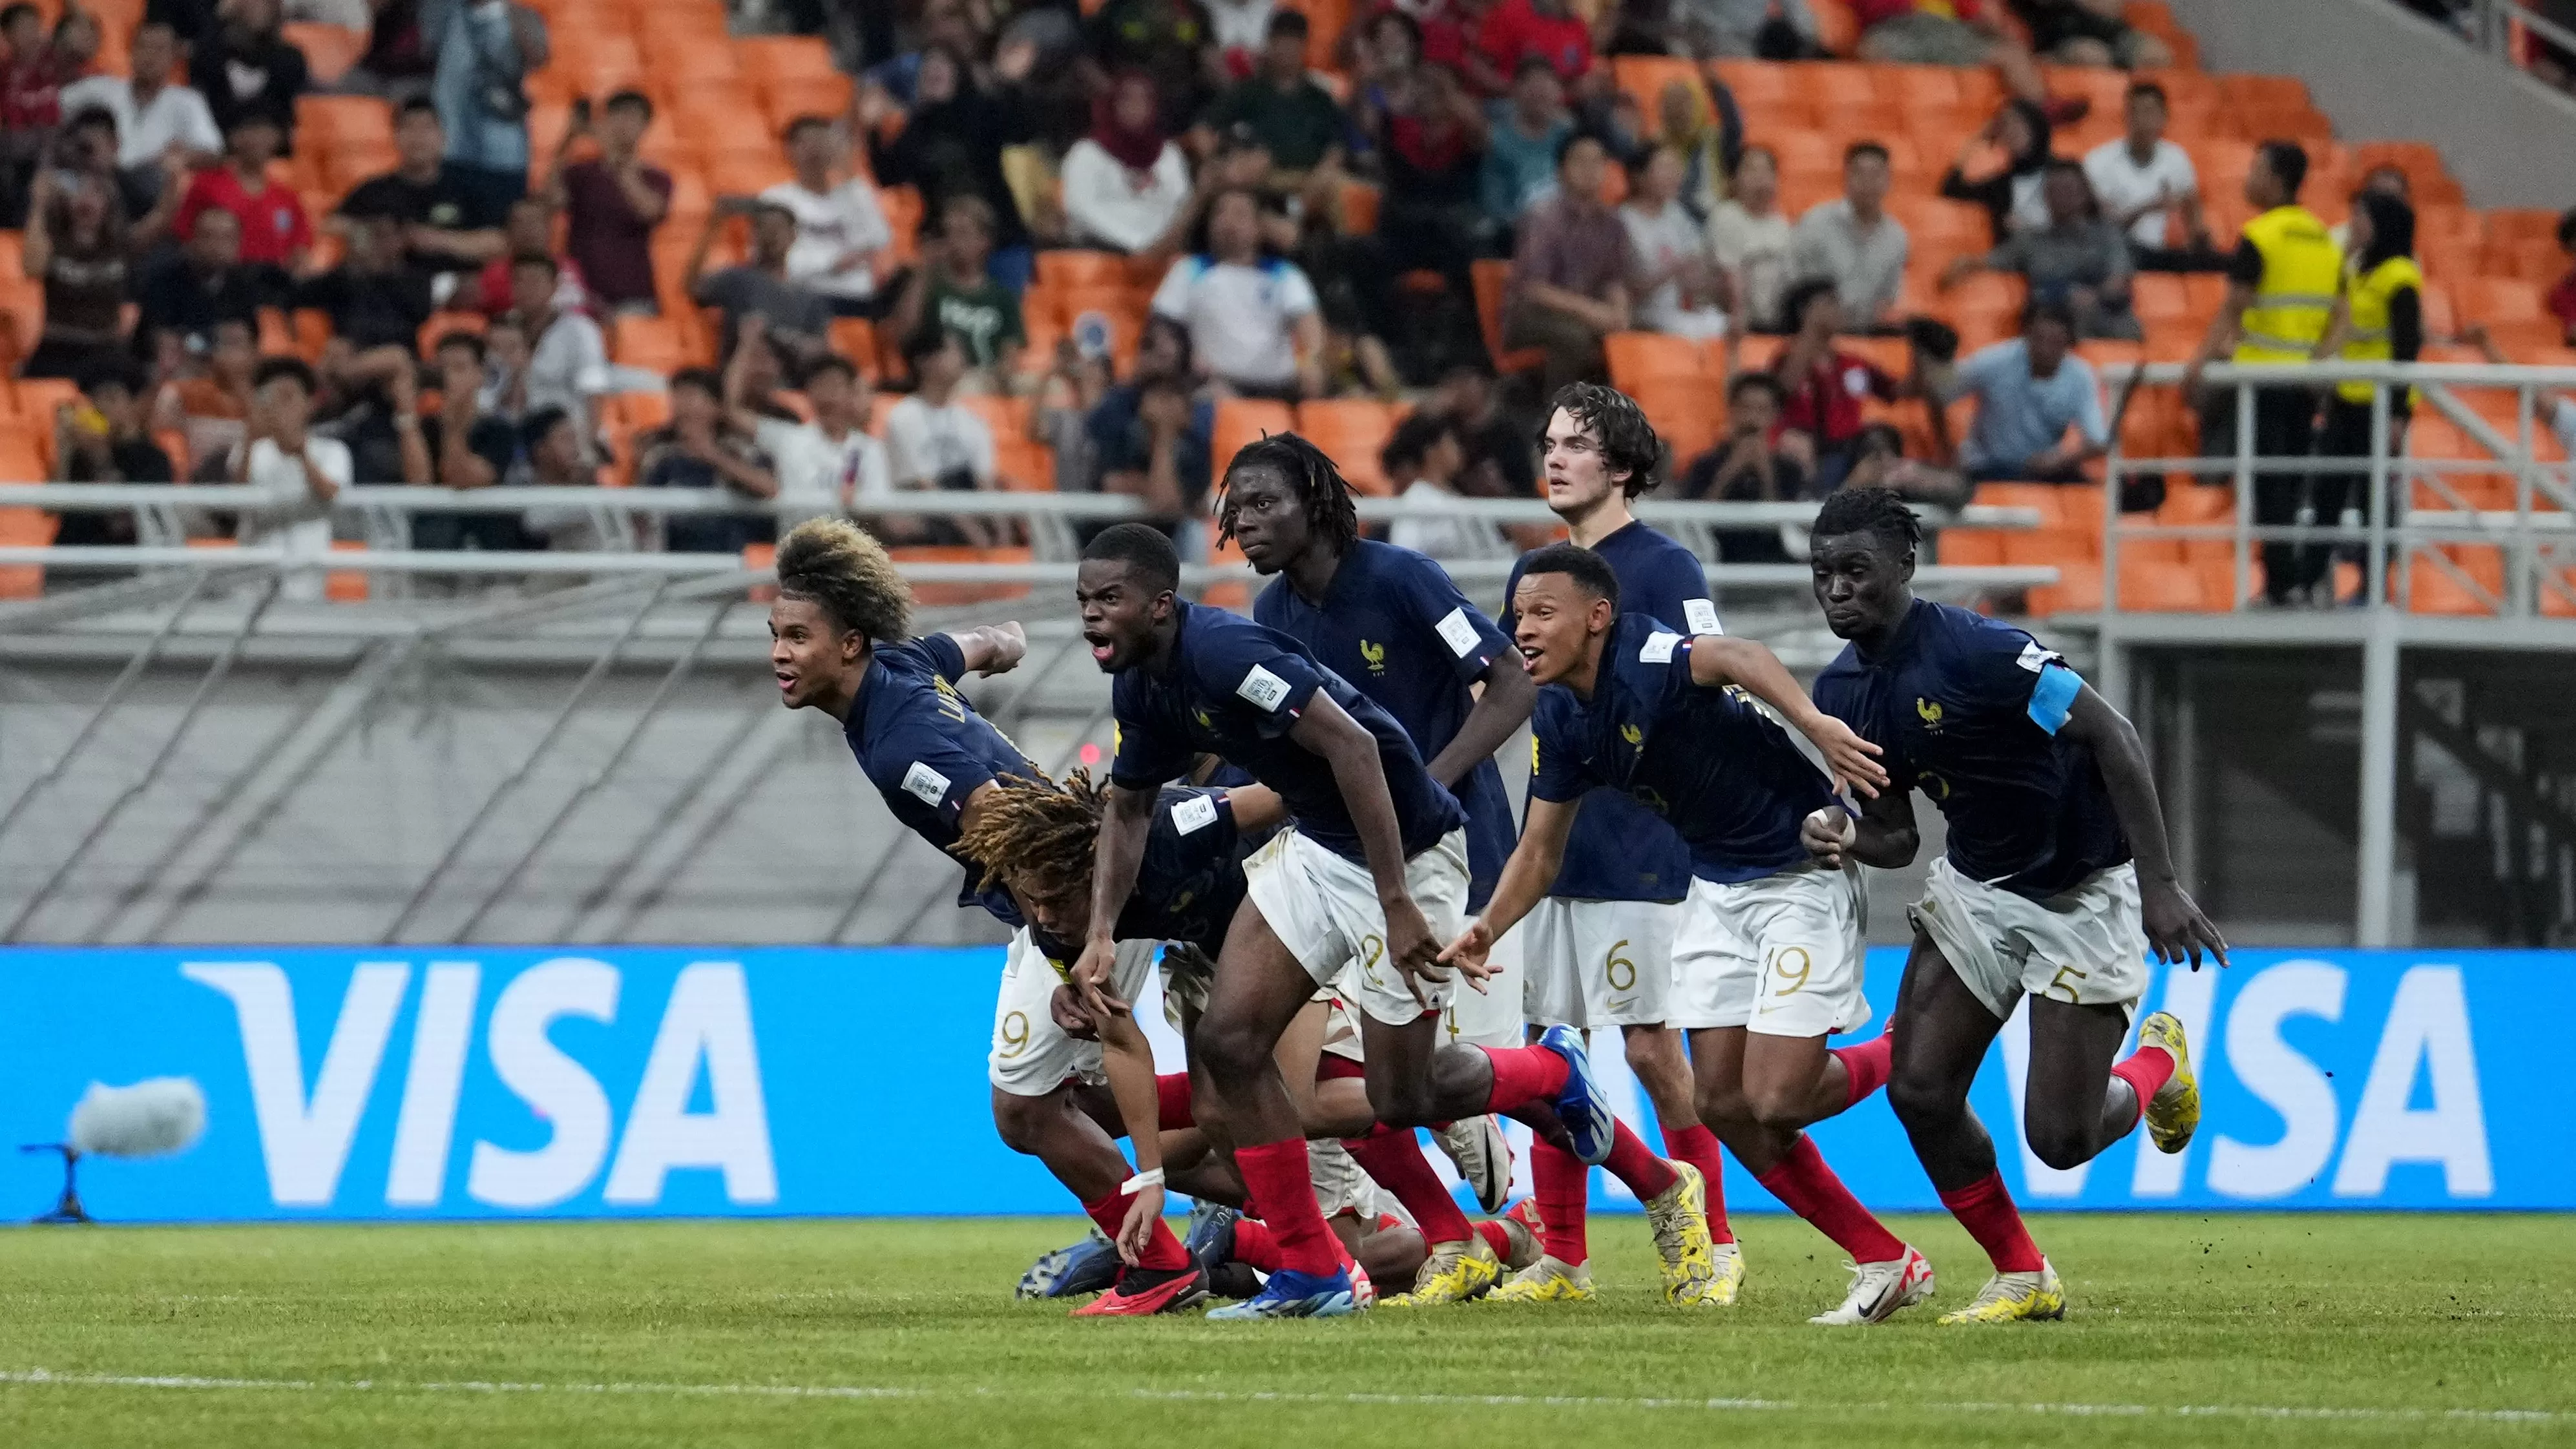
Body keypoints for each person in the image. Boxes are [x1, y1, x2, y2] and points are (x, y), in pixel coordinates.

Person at [1070, 519, 1620, 1320]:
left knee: (1401, 1096)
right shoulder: (1143, 685)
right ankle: (1313, 1273)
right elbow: (1128, 808)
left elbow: (1356, 748)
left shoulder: (1226, 652)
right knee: (1230, 1042)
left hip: (1407, 845)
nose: (1091, 615)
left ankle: (1553, 1074)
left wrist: (1397, 902)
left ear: (1159, 604)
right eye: (1084, 600)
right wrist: (1098, 933)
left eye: (1108, 599)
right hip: (1317, 849)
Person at [1452, 541, 1932, 1324]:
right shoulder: (1562, 717)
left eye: (1544, 612)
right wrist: (1487, 928)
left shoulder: (1644, 650)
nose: (1523, 629)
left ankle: (1903, 1050)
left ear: (1597, 616)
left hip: (1798, 874)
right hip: (1714, 888)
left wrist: (1815, 724)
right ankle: (1886, 1258)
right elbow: (1540, 852)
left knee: (1775, 1097)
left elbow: (1738, 653)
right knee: (1724, 1103)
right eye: (1517, 615)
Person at [765, 517, 1223, 1317]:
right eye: (775, 634)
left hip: (1077, 899)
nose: (779, 652)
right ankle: (1259, 1184)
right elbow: (972, 645)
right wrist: (1002, 640)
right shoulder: (900, 667)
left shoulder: (901, 743)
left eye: (799, 636)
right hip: (1085, 886)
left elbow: (995, 811)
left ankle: (1164, 1260)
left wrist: (1062, 951)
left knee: (1024, 1107)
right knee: (1066, 1105)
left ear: (849, 645)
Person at [1805, 485, 2220, 1324]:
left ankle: (2157, 1065)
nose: (1836, 589)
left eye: (1856, 570)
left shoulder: (1981, 653)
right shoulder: (1841, 691)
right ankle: (2019, 1272)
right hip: (1978, 893)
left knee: (2059, 1141)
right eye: (1822, 574)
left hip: (2080, 893)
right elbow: (1895, 838)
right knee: (1918, 1088)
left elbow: (2113, 736)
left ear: (1905, 565)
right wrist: (1839, 831)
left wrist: (2158, 883)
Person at [1230, 432, 1542, 1303]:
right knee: (1293, 1065)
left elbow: (1510, 682)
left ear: (1314, 503)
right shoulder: (1270, 614)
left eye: (1260, 502)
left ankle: (1531, 1135)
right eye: (1234, 505)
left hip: (1447, 853)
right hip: (1334, 861)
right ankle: (1426, 1238)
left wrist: (1422, 785)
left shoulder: (1401, 578)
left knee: (1423, 1081)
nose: (1240, 520)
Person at [1470, 384, 1737, 1304]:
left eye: (1576, 444)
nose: (1553, 458)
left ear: (1619, 465)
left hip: (1637, 837)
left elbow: (1711, 687)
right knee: (1554, 1046)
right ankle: (1564, 1256)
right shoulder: (1541, 571)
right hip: (1552, 835)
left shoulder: (1663, 566)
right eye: (1547, 441)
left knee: (1653, 1047)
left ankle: (1716, 1237)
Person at [2181, 140, 2339, 606]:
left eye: (2255, 168)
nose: (2248, 177)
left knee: (2268, 484)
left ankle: (2280, 584)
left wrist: (2197, 365)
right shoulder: (2323, 238)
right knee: (2288, 481)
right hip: (2303, 383)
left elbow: (2233, 308)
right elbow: (2339, 314)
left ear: (2276, 179)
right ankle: (2290, 580)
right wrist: (2318, 362)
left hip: (2259, 382)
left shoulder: (2260, 235)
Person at [2303, 191, 2423, 605]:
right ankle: (2310, 580)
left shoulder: (2400, 277)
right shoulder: (2355, 270)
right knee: (2327, 494)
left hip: (2378, 405)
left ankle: (2374, 587)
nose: (2353, 223)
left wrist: (2399, 412)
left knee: (2375, 503)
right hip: (2344, 398)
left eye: (2362, 216)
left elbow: (2407, 348)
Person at [863, 43, 1035, 286]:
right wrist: (873, 132)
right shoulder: (916, 128)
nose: (934, 70)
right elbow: (889, 176)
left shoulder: (982, 110)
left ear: (958, 74)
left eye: (942, 64)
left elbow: (1022, 131)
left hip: (1000, 236)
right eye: (928, 66)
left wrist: (1010, 85)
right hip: (944, 241)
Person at [1150, 187, 1324, 399]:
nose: (1228, 222)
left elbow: (1309, 326)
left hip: (1280, 388)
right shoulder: (1189, 270)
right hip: (1212, 384)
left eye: (1240, 214)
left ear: (1259, 227)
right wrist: (1181, 358)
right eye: (1220, 213)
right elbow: (1163, 326)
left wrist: (1311, 362)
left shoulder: (1285, 275)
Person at [1942, 159, 2139, 340]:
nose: (2059, 197)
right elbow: (1990, 260)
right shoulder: (2031, 241)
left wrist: (2091, 296)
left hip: (2107, 323)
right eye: (2053, 191)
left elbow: (2118, 283)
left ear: (2085, 195)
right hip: (2049, 331)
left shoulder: (2108, 236)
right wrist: (1962, 264)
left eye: (2068, 190)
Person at [1503, 132, 1631, 395]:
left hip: (1587, 310)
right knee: (1575, 337)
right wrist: (1592, 311)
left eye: (1597, 162)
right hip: (1532, 314)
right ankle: (1556, 417)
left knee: (1638, 331)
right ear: (1561, 170)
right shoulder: (1543, 217)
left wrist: (1620, 312)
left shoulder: (1612, 223)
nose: (1590, 170)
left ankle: (1620, 421)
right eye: (1580, 161)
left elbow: (1614, 280)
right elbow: (1534, 289)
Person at [338, 96, 505, 297]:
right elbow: (333, 226)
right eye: (409, 128)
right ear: (395, 136)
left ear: (442, 136)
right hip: (389, 291)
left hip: (456, 289)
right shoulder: (374, 191)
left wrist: (437, 240)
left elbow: (499, 242)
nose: (418, 138)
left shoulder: (468, 186)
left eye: (426, 128)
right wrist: (376, 236)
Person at [1936, 298, 2110, 486]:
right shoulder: (1994, 361)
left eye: (2055, 343)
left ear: (2068, 340)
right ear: (2026, 334)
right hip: (1988, 466)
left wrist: (2058, 459)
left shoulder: (2081, 376)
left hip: (2043, 471)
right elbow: (1941, 391)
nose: (2046, 351)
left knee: (2093, 492)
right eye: (2039, 340)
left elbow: (2098, 440)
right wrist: (1947, 449)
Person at [724, 328, 889, 518]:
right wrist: (747, 345)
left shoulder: (870, 449)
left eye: (835, 385)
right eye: (819, 385)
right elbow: (731, 410)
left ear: (851, 393)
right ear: (808, 393)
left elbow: (880, 512)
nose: (827, 395)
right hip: (800, 545)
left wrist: (858, 504)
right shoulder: (788, 438)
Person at [58, 19, 219, 204]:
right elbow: (53, 106)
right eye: (143, 47)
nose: (150, 56)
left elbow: (213, 150)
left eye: (158, 49)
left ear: (173, 56)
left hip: (149, 192)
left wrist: (183, 157)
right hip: (97, 184)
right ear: (132, 51)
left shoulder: (187, 101)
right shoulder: (101, 88)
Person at [229, 356, 351, 601]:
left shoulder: (333, 450)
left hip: (307, 581)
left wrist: (302, 454)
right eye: (270, 398)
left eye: (288, 397)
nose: (280, 407)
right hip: (251, 584)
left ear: (310, 404)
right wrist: (250, 437)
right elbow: (237, 496)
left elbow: (330, 493)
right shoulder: (249, 451)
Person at [1772, 277, 1909, 490]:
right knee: (1796, 445)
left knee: (1880, 439)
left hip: (1849, 450)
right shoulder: (1786, 358)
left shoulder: (1853, 363)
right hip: (1806, 450)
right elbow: (1782, 391)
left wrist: (1925, 361)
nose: (1840, 309)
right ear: (1805, 311)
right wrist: (1810, 331)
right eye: (1830, 303)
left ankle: (1844, 501)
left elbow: (1897, 391)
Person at [546, 88, 669, 315]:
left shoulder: (656, 178)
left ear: (645, 126)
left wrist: (617, 163)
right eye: (618, 115)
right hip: (581, 292)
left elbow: (649, 211)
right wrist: (569, 139)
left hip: (632, 294)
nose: (623, 125)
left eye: (633, 117)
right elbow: (551, 201)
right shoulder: (582, 173)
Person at [423, 0, 547, 218]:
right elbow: (425, 47)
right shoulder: (443, 12)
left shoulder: (523, 16)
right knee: (446, 228)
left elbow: (539, 56)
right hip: (450, 151)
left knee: (500, 231)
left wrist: (513, 17)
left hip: (506, 155)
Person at [761, 116, 894, 320]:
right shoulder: (776, 199)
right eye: (806, 143)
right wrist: (833, 263)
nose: (815, 151)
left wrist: (849, 176)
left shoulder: (854, 194)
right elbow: (770, 260)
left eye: (822, 142)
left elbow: (878, 241)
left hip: (858, 300)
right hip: (804, 298)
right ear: (790, 150)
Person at [890, 196, 1025, 392]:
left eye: (963, 233)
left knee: (1053, 388)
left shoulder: (1002, 296)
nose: (954, 242)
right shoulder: (931, 287)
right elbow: (903, 333)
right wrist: (923, 272)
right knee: (968, 386)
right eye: (948, 233)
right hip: (946, 381)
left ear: (983, 241)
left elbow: (1010, 355)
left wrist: (1000, 376)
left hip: (993, 378)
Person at [411, 327, 529, 550]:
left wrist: (453, 429)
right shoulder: (424, 428)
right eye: (442, 369)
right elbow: (419, 482)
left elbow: (466, 480)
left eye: (459, 368)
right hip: (435, 547)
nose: (449, 378)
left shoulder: (499, 429)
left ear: (480, 374)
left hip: (489, 547)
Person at [638, 366, 777, 555]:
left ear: (716, 406)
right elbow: (642, 511)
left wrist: (713, 456)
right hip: (676, 562)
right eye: (677, 396)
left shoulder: (741, 449)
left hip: (735, 560)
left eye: (691, 396)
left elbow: (768, 488)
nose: (683, 405)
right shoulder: (660, 457)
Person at [883, 329, 1001, 548]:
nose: (961, 358)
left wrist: (1002, 533)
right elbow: (925, 486)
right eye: (952, 351)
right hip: (928, 513)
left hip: (968, 503)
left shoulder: (972, 420)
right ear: (924, 362)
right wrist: (974, 533)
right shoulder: (903, 417)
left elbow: (986, 482)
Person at [2081, 81, 2215, 273]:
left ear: (2164, 117)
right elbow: (2100, 228)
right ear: (2125, 117)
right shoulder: (2098, 162)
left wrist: (2200, 237)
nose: (2142, 119)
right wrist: (2147, 207)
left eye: (2149, 112)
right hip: (2114, 254)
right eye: (2134, 112)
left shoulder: (2177, 159)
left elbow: (2193, 210)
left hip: (2161, 254)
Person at [687, 200, 833, 374]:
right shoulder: (738, 278)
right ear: (753, 235)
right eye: (763, 228)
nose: (771, 235)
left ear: (793, 236)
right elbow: (693, 287)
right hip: (741, 379)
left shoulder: (809, 296)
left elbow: (820, 349)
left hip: (791, 385)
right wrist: (713, 227)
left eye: (778, 228)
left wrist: (792, 341)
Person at [1201, 11, 1346, 183]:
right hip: (1254, 185)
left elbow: (1336, 146)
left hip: (1308, 184)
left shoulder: (1319, 99)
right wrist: (1220, 161)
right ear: (1269, 43)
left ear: (1304, 46)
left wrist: (1325, 172)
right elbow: (1203, 130)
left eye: (1292, 43)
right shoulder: (1247, 92)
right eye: (1279, 42)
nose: (1285, 50)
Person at [1682, 371, 1811, 562]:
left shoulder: (1790, 469)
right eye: (1746, 408)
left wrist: (1766, 475)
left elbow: (1788, 529)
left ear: (1775, 415)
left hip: (1774, 565)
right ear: (1732, 410)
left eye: (1762, 410)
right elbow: (1694, 525)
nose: (1752, 418)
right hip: (1718, 564)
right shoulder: (1704, 464)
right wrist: (1729, 473)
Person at [131, 191, 275, 361]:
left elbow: (248, 336)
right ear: (192, 240)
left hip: (224, 367)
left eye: (226, 238)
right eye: (209, 237)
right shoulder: (164, 280)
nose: (217, 247)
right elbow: (161, 339)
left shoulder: (242, 282)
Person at [1061, 72, 1193, 257]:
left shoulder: (1169, 154)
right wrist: (1135, 243)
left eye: (1144, 101)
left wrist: (1159, 245)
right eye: (1127, 100)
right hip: (1102, 257)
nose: (1136, 108)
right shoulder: (1087, 154)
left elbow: (1181, 205)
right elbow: (1080, 210)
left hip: (1161, 256)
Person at [17, 168, 131, 380]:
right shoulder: (56, 242)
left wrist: (174, 181)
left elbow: (160, 223)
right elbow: (32, 268)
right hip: (58, 348)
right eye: (81, 191)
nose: (87, 199)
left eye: (97, 193)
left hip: (104, 349)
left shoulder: (119, 246)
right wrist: (39, 204)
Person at [52, 357, 175, 550]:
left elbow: (122, 522)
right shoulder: (80, 453)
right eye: (94, 399)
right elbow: (52, 509)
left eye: (111, 398)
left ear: (134, 405)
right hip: (70, 560)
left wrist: (100, 459)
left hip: (124, 565)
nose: (101, 407)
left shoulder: (153, 459)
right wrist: (64, 451)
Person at [1790, 141, 1909, 333]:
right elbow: (1795, 281)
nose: (1867, 182)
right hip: (1815, 332)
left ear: (1888, 180)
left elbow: (1889, 297)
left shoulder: (1897, 237)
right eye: (1859, 174)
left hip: (1867, 333)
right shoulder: (1815, 223)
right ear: (1845, 178)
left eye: (1876, 175)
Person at [1620, 145, 1729, 341]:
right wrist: (1673, 269)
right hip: (1643, 314)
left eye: (1676, 169)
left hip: (1680, 309)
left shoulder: (1676, 213)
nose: (1674, 176)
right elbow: (1628, 289)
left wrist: (1704, 278)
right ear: (1639, 176)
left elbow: (1695, 263)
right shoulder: (1623, 221)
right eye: (1664, 168)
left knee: (1727, 328)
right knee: (1689, 336)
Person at [174, 113, 310, 269]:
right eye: (251, 130)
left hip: (270, 284)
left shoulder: (287, 197)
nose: (258, 139)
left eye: (265, 131)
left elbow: (299, 249)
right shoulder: (206, 185)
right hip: (220, 278)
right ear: (234, 137)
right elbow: (184, 236)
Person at [291, 212, 432, 352]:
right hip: (349, 353)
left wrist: (380, 273)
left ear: (400, 241)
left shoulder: (414, 279)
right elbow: (300, 295)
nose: (377, 244)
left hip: (395, 352)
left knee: (396, 358)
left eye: (384, 236)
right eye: (372, 236)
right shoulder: (345, 278)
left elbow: (417, 317)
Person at [509, 251, 607, 450]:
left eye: (535, 282)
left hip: (568, 436)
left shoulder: (580, 330)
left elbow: (593, 388)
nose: (527, 289)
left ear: (554, 286)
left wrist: (593, 443)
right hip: (516, 435)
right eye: (520, 282)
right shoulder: (503, 329)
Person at [1382, 412, 1507, 560]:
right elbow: (1404, 553)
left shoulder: (1456, 497)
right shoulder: (1417, 500)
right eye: (1451, 442)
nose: (1458, 449)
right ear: (1431, 451)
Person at [191, 0, 308, 150]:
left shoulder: (291, 59)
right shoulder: (209, 54)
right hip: (217, 146)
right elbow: (200, 105)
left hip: (274, 149)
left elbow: (289, 109)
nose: (258, 7)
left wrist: (269, 134)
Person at [1938, 98, 2054, 245]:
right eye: (2004, 126)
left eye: (2017, 126)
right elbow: (1951, 189)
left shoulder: (2064, 171)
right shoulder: (2000, 185)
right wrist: (1979, 140)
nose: (2010, 133)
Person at [1478, 57, 1572, 229]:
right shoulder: (1498, 140)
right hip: (1515, 231)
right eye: (1532, 85)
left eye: (1546, 84)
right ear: (1516, 90)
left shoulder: (1568, 134)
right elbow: (1495, 204)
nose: (1539, 93)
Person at [1705, 145, 1790, 334]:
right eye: (1752, 170)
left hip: (1777, 321)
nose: (1761, 178)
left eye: (1767, 171)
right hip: (1736, 321)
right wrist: (1738, 312)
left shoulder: (1781, 223)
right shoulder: (1726, 216)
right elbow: (1729, 272)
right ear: (1735, 179)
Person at [470, 194, 583, 316]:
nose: (529, 230)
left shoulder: (570, 266)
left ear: (548, 228)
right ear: (509, 230)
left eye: (535, 222)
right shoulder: (495, 273)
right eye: (521, 223)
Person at [2003, 0, 2170, 67]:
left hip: (2115, 35)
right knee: (2093, 55)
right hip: (2063, 42)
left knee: (2157, 55)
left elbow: (2113, 9)